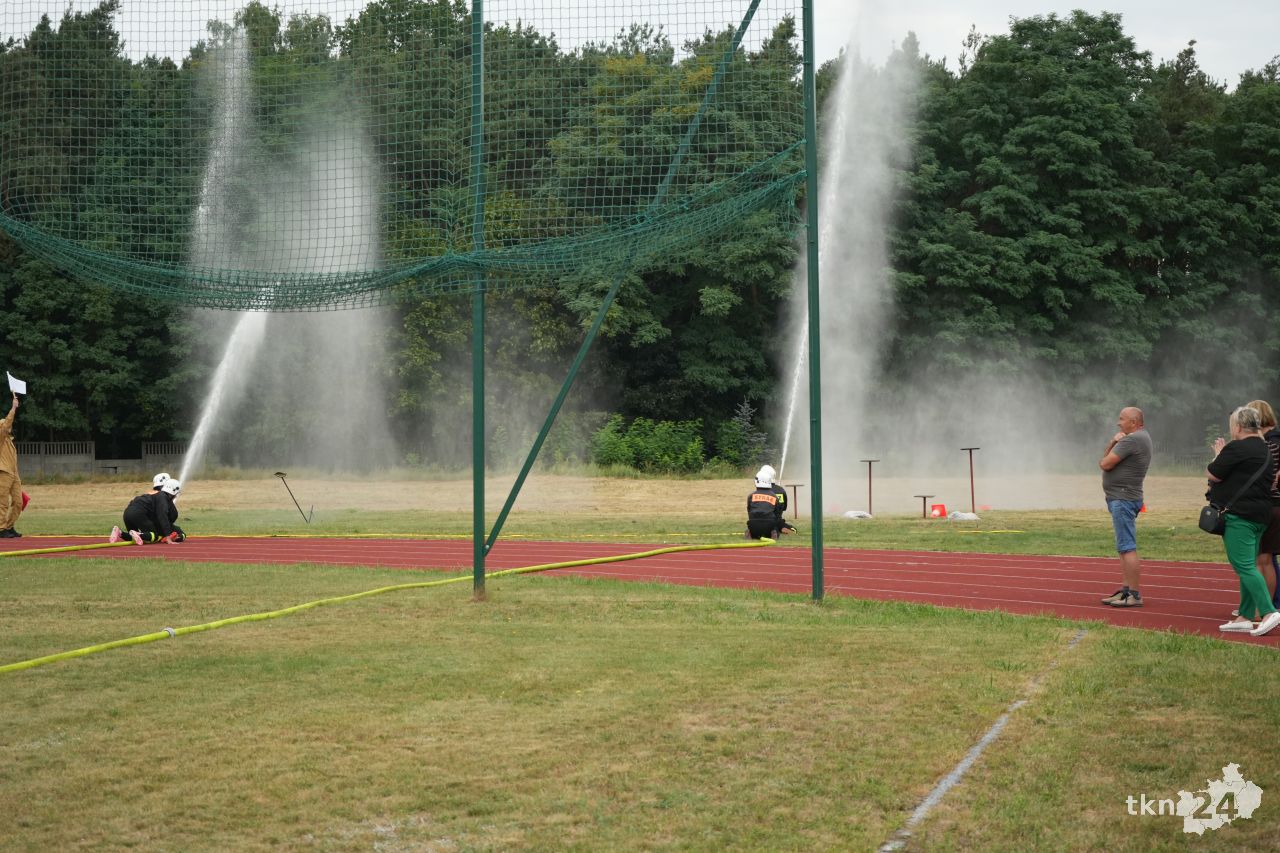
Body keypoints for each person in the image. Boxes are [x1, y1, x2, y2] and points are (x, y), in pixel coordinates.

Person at [1208, 407, 1280, 636]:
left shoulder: (1237, 448)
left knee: (1244, 565)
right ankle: (1246, 616)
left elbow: (1213, 474)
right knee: (1249, 562)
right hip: (1261, 514)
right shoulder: (1266, 449)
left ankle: (1269, 611)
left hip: (1239, 515)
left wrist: (1219, 454)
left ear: (1238, 427)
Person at [1098, 406, 1152, 607]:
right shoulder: (1140, 437)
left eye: (1122, 419)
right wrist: (1113, 442)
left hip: (1123, 498)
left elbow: (1105, 463)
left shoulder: (1132, 439)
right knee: (1123, 547)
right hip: (1124, 497)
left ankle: (1134, 595)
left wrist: (1114, 441)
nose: (1118, 422)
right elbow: (1106, 460)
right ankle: (1126, 591)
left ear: (1134, 422)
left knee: (1127, 547)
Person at [1246, 400, 1280, 605]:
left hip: (1268, 503)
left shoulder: (1269, 444)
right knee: (1269, 558)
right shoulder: (1274, 440)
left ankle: (1269, 605)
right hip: (1275, 503)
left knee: (1264, 559)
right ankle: (1272, 603)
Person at [110, 478, 185, 545]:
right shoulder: (162, 497)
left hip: (127, 513)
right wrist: (168, 537)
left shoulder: (156, 496)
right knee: (154, 536)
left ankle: (120, 532)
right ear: (174, 492)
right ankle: (138, 534)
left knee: (135, 539)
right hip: (138, 513)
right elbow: (162, 515)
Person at [746, 465, 796, 540]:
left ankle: (751, 532)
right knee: (792, 529)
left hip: (753, 524)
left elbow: (749, 511)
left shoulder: (751, 495)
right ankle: (776, 530)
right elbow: (781, 509)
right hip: (772, 522)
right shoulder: (777, 493)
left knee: (754, 526)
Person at [0, 393, 23, 538]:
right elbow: (7, 423)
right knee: (2, 502)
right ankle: (1, 529)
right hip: (3, 472)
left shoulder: (9, 441)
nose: (8, 426)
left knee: (18, 502)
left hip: (13, 473)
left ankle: (9, 526)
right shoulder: (1, 437)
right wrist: (13, 408)